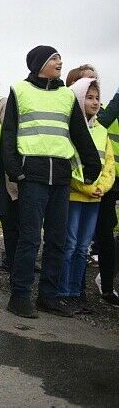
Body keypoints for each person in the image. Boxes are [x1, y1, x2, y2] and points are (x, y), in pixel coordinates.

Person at [1, 46, 101, 318]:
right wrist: (15, 171)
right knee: (30, 238)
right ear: (39, 64)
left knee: (57, 239)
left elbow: (79, 132)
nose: (59, 62)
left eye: (59, 58)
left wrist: (93, 165)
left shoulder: (67, 95)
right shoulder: (20, 90)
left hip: (60, 175)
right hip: (31, 175)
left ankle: (48, 296)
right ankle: (19, 296)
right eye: (53, 58)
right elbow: (9, 133)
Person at [59, 77, 114, 310]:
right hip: (74, 197)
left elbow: (109, 165)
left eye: (97, 98)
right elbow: (69, 165)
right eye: (89, 97)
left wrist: (103, 187)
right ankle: (62, 291)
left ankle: (75, 292)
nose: (94, 102)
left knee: (83, 248)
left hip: (95, 199)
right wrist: (88, 188)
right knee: (70, 245)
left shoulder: (102, 131)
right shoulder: (70, 129)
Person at [94, 87, 119, 306]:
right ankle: (107, 282)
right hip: (108, 179)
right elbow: (101, 122)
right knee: (105, 231)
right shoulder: (109, 110)